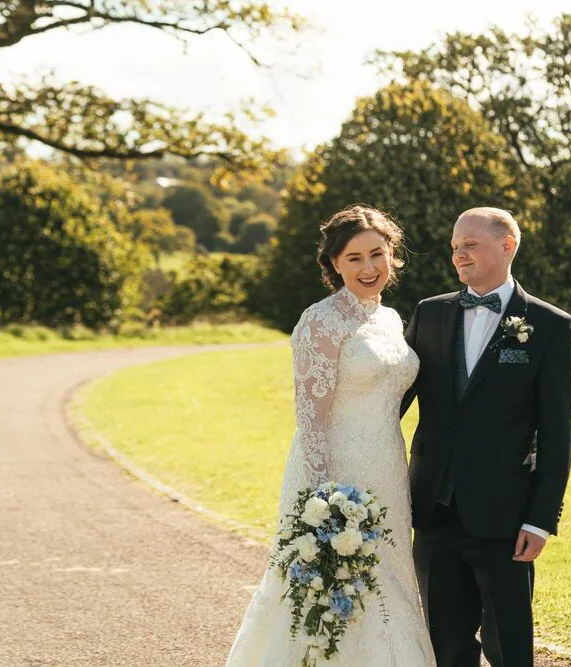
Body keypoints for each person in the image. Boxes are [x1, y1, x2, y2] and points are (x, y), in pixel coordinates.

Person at [226, 205, 436, 666]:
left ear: (392, 256)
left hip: (388, 473)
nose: (368, 268)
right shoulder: (320, 322)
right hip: (336, 479)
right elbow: (311, 419)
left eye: (377, 254)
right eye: (354, 258)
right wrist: (326, 503)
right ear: (334, 263)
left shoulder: (391, 319)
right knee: (332, 587)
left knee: (390, 581)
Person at [401, 207, 571, 667]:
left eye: (470, 245)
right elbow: (390, 403)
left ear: (507, 245)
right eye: (455, 247)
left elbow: (558, 433)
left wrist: (541, 520)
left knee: (510, 647)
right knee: (446, 647)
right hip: (434, 512)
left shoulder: (551, 326)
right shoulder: (429, 314)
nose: (459, 255)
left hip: (506, 518)